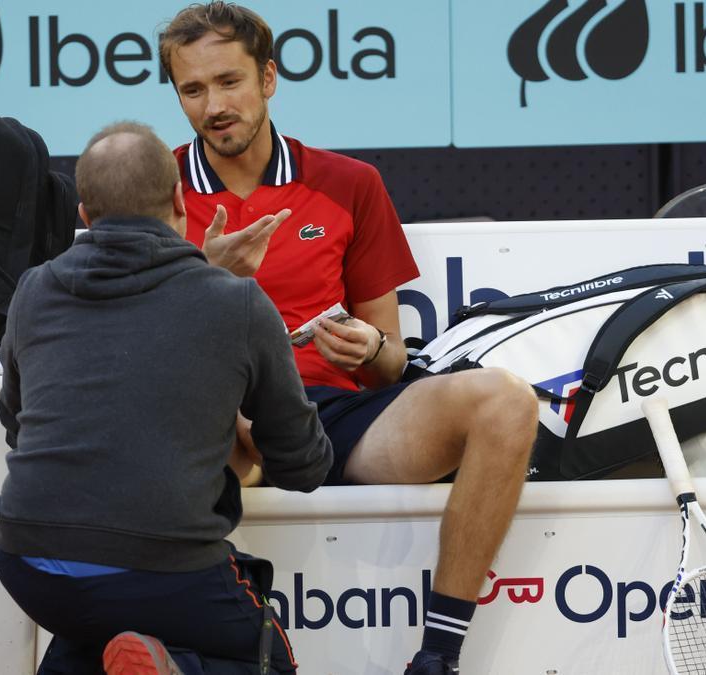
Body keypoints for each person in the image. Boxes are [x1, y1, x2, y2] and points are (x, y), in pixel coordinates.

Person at [159, 4, 539, 673]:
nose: (213, 105)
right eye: (193, 89)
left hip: (326, 419)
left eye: (229, 81)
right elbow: (136, 355)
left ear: (268, 77)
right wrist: (206, 284)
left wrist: (368, 347)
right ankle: (197, 656)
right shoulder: (155, 194)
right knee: (202, 416)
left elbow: (391, 362)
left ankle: (437, 657)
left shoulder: (348, 183)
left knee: (506, 402)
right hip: (212, 421)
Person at [0, 121, 333, 675]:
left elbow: (18, 427)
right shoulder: (237, 302)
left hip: (27, 560)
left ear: (84, 214)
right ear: (179, 199)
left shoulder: (34, 288)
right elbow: (303, 465)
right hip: (162, 567)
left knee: (95, 636)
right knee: (269, 663)